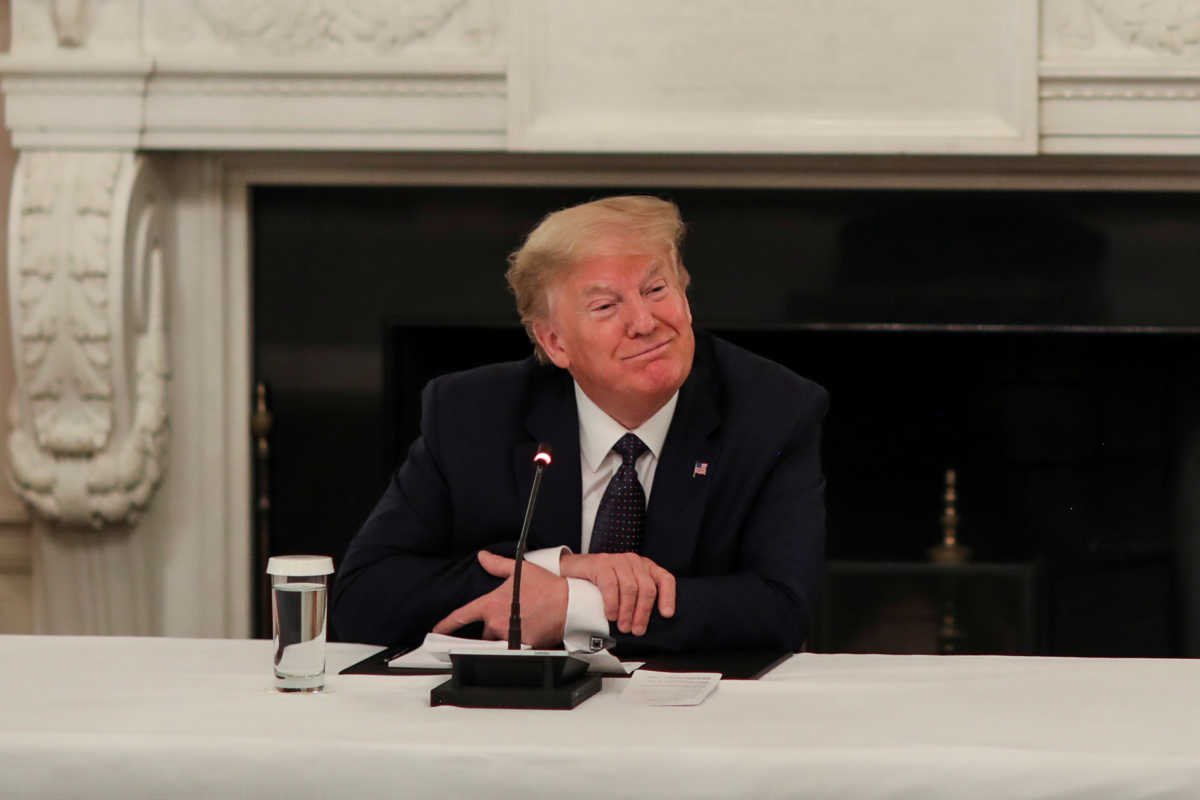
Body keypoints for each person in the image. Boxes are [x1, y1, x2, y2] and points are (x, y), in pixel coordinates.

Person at [331, 195, 828, 655]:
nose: (644, 322)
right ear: (555, 343)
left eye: (656, 289)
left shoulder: (773, 410)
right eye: (606, 306)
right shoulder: (472, 414)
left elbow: (782, 609)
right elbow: (361, 598)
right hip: (517, 712)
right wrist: (556, 570)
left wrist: (576, 606)